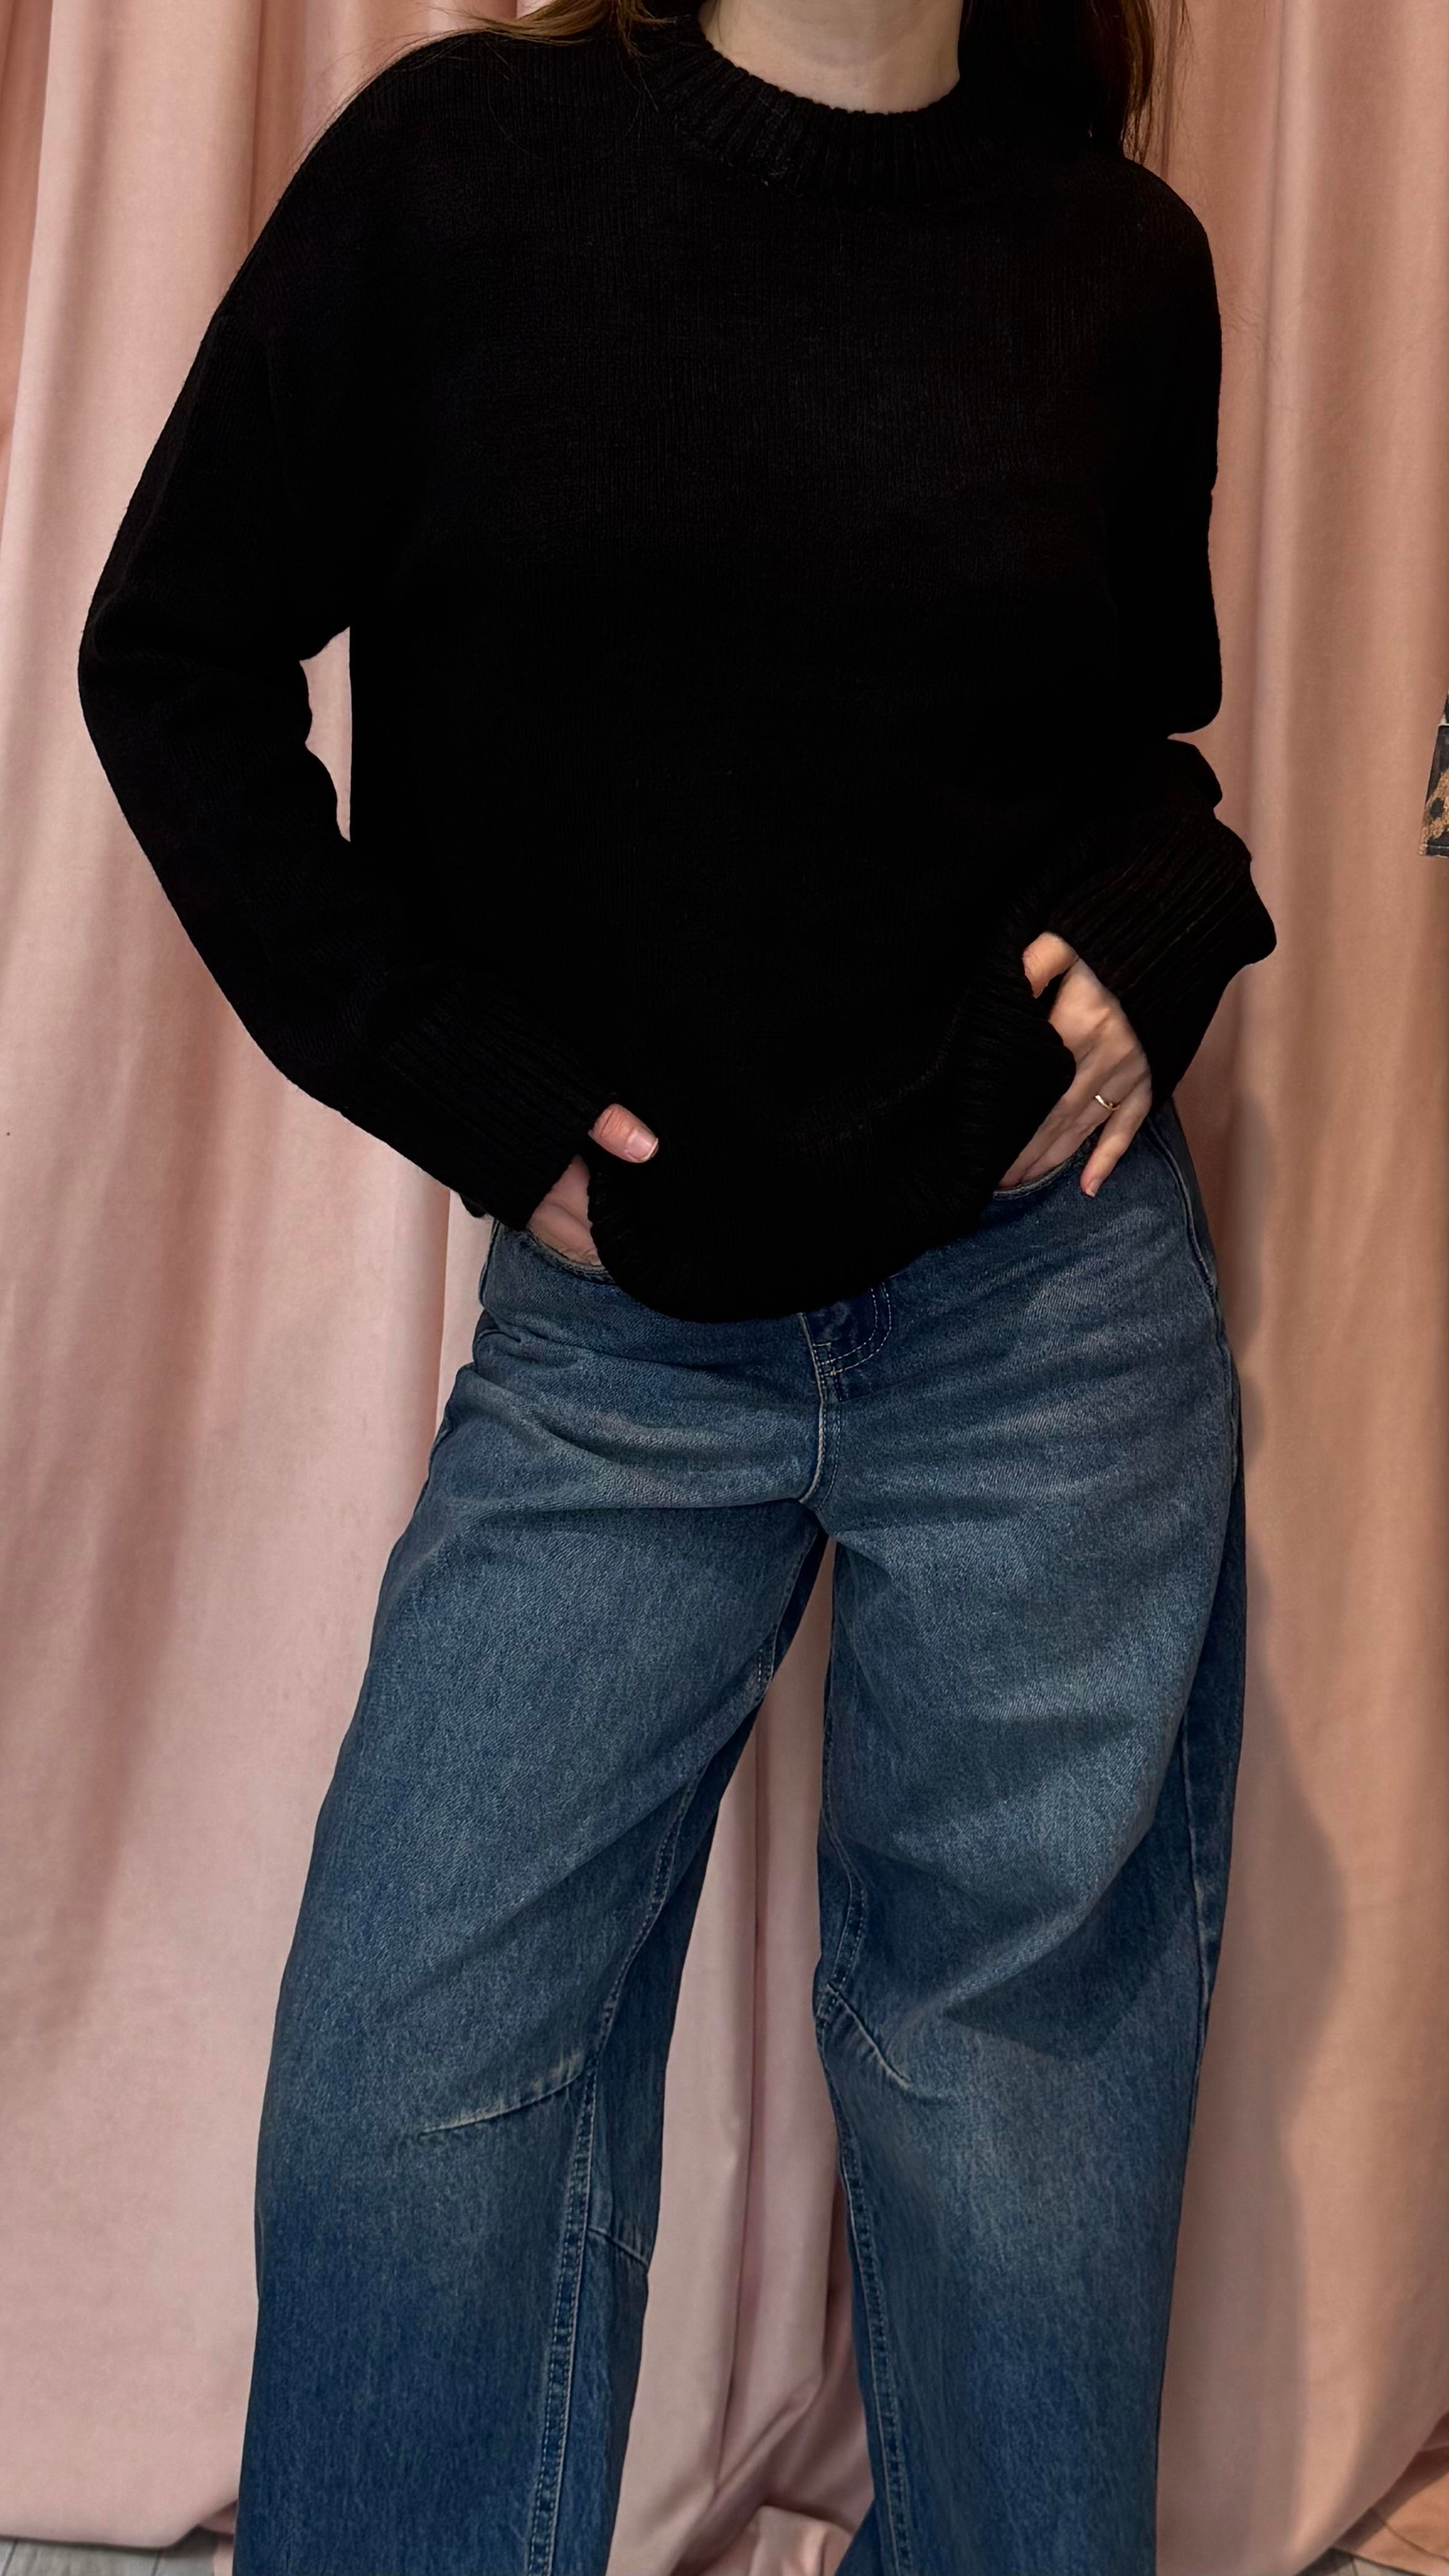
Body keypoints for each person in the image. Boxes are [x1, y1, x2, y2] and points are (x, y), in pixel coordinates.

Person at [75, 0, 1277, 2564]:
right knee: (412, 2082)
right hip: (621, 1351)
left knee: (1013, 2129)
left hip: (1043, 1325)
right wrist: (467, 1091)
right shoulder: (462, 172)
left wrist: (1162, 920)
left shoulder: (1116, 255)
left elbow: (1124, 759)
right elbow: (168, 657)